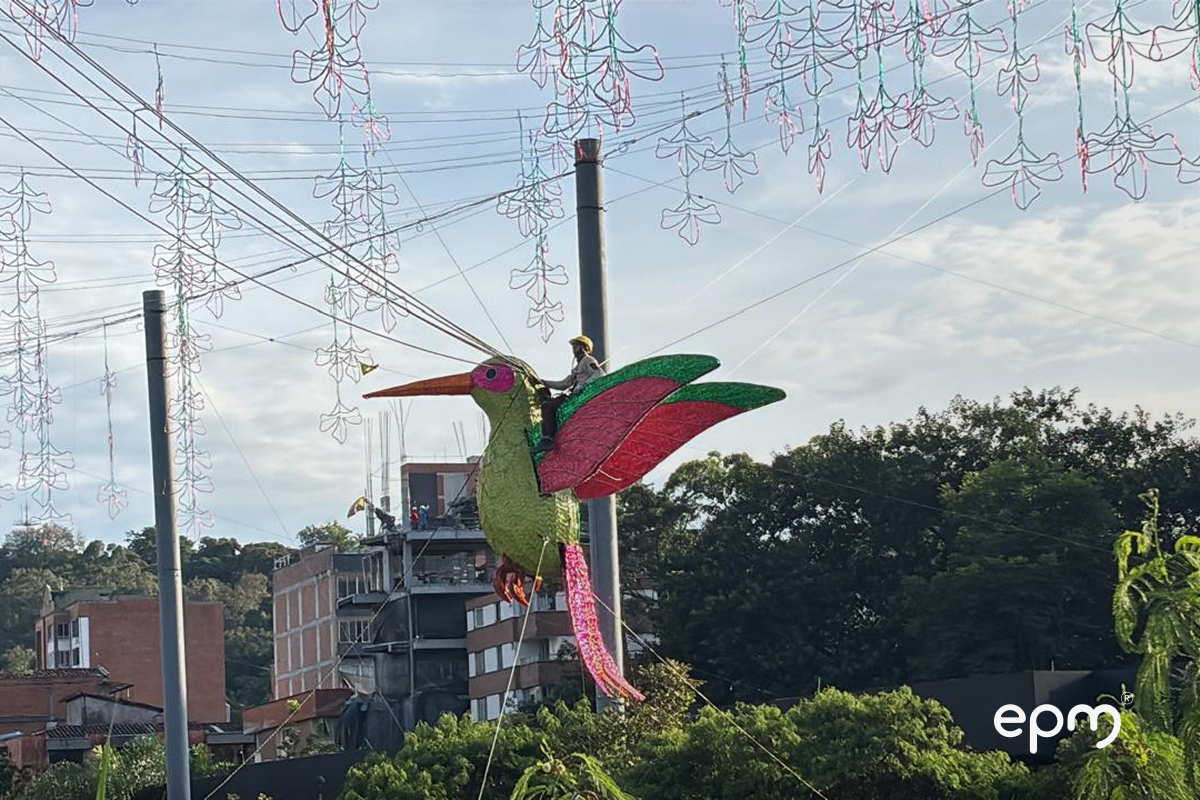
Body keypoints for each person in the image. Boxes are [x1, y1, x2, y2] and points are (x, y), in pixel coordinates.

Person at [531, 335, 605, 454]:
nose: (574, 348)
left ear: (583, 347)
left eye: (576, 345)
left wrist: (583, 386)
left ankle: (548, 438)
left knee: (548, 406)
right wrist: (544, 382)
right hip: (573, 395)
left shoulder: (588, 360)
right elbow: (564, 384)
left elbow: (599, 374)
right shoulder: (577, 367)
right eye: (574, 345)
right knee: (547, 403)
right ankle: (547, 437)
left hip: (581, 396)